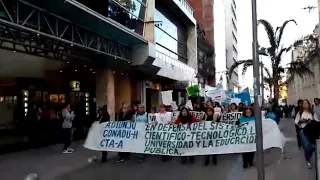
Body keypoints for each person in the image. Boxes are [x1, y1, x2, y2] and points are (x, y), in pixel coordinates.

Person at [295, 99, 320, 168]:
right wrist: (301, 121)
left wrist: (311, 121)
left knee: (312, 146)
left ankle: (308, 156)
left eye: (306, 103)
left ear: (309, 104)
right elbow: (296, 121)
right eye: (304, 103)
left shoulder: (312, 113)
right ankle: (308, 160)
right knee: (306, 145)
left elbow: (317, 121)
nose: (305, 105)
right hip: (303, 130)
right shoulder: (300, 113)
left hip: (311, 131)